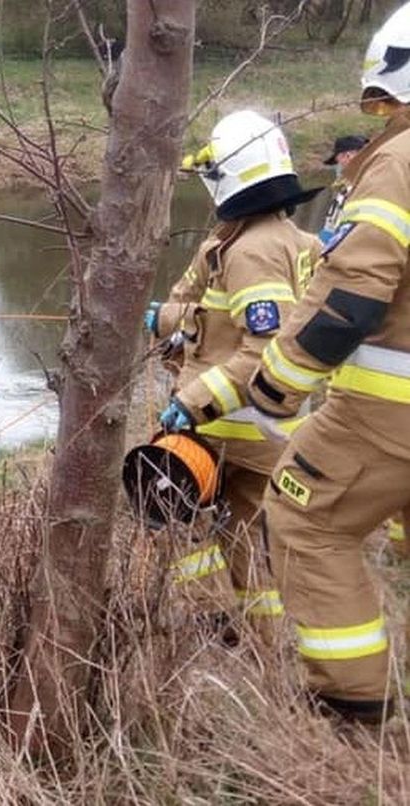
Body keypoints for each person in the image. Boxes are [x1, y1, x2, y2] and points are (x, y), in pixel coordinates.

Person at [245, 1, 410, 723]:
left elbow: (354, 294)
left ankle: (354, 711)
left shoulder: (400, 163)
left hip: (388, 413)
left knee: (305, 518)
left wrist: (278, 384)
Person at [148, 110, 322, 634]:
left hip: (225, 431)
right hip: (265, 430)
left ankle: (202, 626)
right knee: (247, 539)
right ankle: (260, 644)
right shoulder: (286, 240)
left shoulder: (252, 251)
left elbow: (264, 351)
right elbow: (219, 323)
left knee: (182, 526)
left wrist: (190, 403)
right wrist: (173, 325)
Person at [317, 134, 370, 243]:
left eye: (337, 161)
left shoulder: (363, 188)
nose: (338, 167)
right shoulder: (344, 190)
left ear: (348, 156)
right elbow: (330, 228)